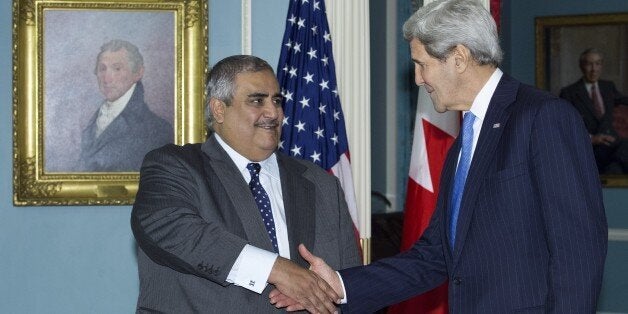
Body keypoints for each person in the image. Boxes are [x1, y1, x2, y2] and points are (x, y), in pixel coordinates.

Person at [270, 0, 608, 313]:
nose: (418, 79)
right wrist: (339, 286)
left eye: (422, 64)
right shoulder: (467, 140)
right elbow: (434, 256)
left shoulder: (543, 117)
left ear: (458, 58)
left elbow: (578, 252)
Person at [130, 55, 361, 313]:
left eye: (276, 101)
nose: (273, 112)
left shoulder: (320, 182)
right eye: (257, 101)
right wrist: (276, 269)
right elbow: (170, 228)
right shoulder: (175, 166)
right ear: (219, 109)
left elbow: (350, 282)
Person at [79, 39, 172, 172]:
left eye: (117, 68)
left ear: (138, 73)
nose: (106, 78)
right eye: (102, 68)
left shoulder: (158, 129)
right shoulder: (92, 120)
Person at [559, 48, 628, 174]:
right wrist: (592, 139)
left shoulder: (608, 87)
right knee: (614, 167)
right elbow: (563, 126)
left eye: (597, 64)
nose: (594, 69)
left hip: (612, 143)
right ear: (581, 66)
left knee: (623, 150)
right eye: (589, 64)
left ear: (601, 66)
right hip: (588, 147)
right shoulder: (569, 93)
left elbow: (624, 100)